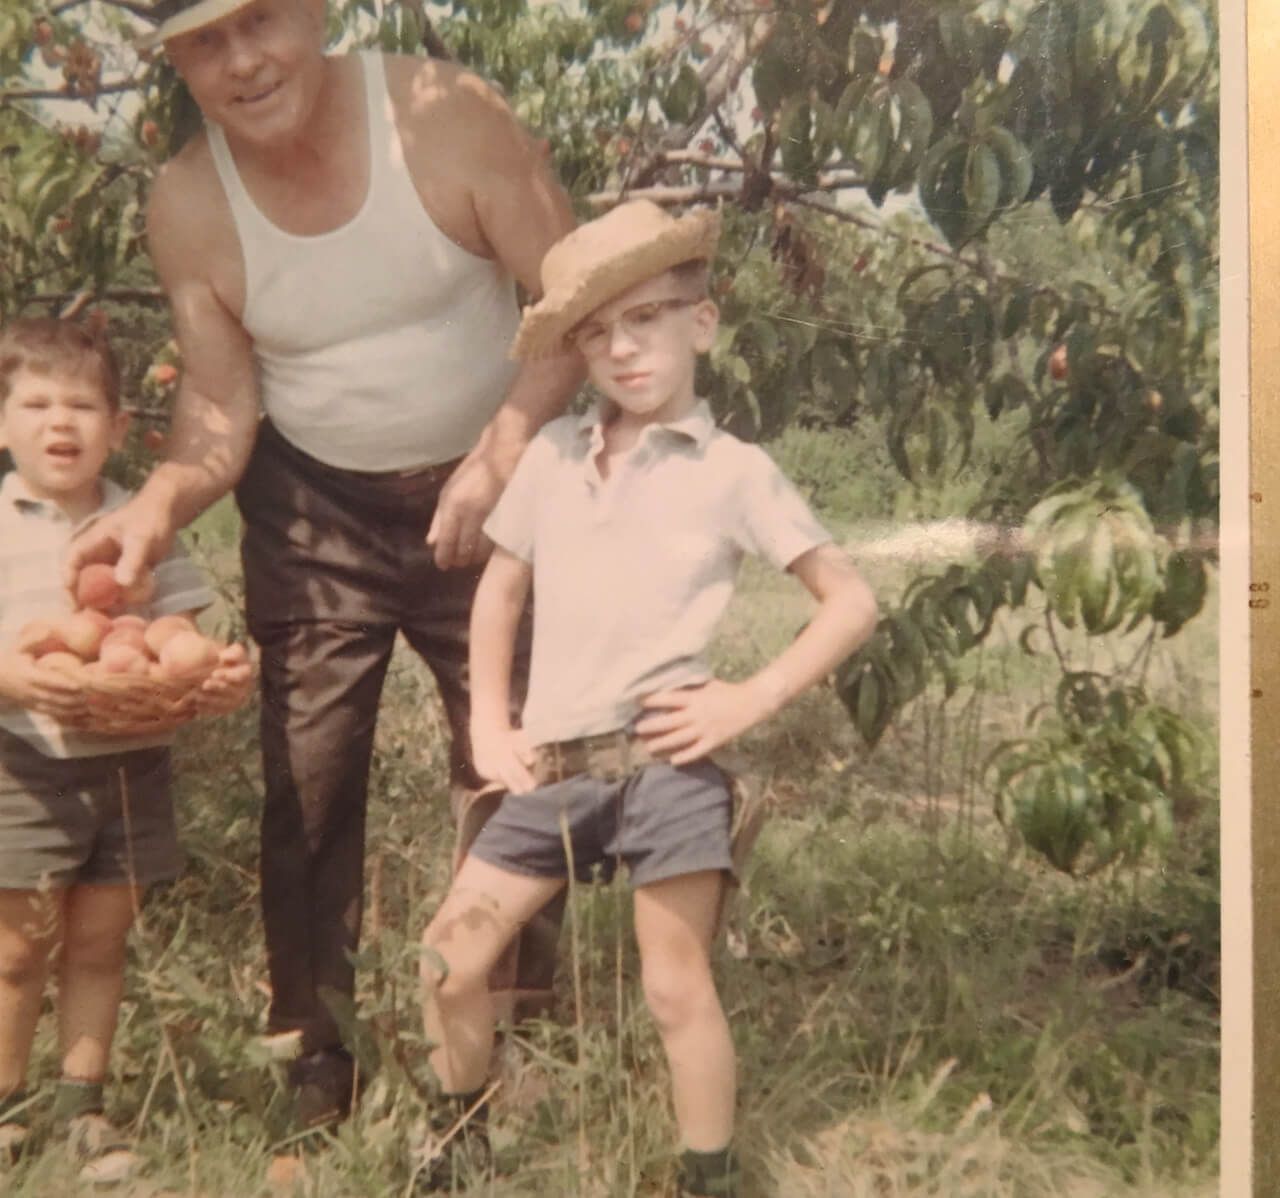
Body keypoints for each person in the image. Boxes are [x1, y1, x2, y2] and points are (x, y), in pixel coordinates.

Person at [66, 0, 582, 1126]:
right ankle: (317, 1053)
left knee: (516, 761)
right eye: (205, 41)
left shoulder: (446, 119)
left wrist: (500, 461)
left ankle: (525, 1033)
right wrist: (157, 499)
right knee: (307, 782)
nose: (242, 61)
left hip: (489, 489)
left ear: (314, 12)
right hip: (312, 507)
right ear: (174, 62)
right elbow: (218, 399)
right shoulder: (190, 203)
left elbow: (570, 300)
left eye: (259, 20)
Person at [414, 200, 880, 1195]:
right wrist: (490, 722)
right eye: (596, 333)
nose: (622, 350)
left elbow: (849, 603)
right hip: (550, 765)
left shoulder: (734, 471)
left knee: (673, 985)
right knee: (449, 961)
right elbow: (499, 590)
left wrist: (744, 701)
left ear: (699, 323)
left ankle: (702, 1175)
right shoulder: (547, 458)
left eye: (647, 320)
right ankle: (460, 1151)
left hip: (667, 765)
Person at [0, 317, 251, 1183]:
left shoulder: (139, 519)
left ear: (117, 427)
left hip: (132, 759)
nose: (58, 422)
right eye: (34, 403)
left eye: (81, 405)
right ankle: (5, 1107)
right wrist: (15, 678)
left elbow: (178, 635)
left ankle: (83, 1104)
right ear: (2, 424)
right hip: (23, 767)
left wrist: (210, 673)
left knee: (102, 940)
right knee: (16, 949)